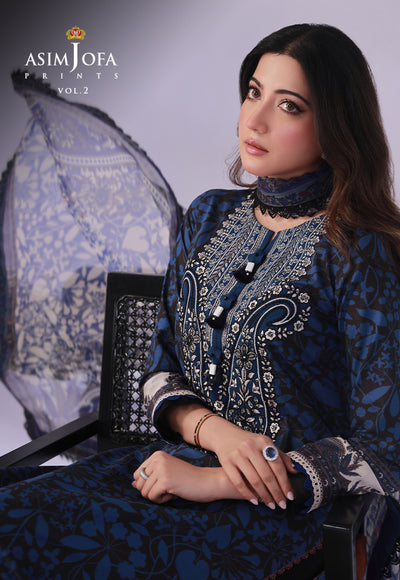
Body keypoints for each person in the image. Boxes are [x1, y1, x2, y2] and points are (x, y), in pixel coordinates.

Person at [0, 22, 400, 579]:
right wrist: (218, 436)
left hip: (282, 514)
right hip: (163, 472)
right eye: (254, 93)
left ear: (337, 126)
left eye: (288, 106)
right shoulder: (208, 215)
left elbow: (385, 448)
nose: (254, 120)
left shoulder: (360, 248)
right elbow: (158, 368)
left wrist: (215, 481)